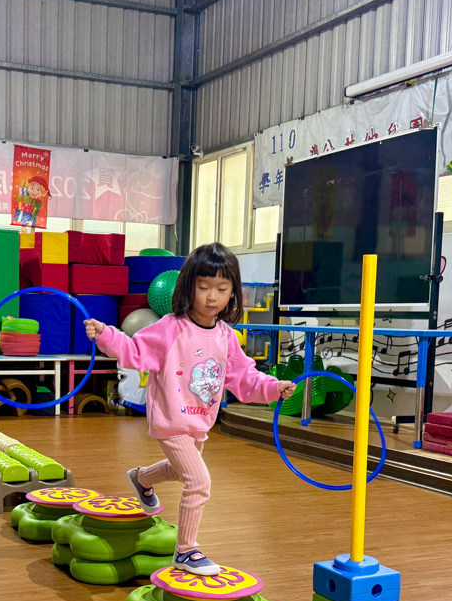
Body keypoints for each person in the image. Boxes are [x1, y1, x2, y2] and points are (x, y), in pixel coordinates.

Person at [83, 243, 295, 576]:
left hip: (200, 421)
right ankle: (186, 551)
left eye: (222, 289)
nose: (212, 297)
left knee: (180, 470)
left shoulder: (226, 337)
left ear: (232, 293)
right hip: (171, 419)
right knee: (198, 481)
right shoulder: (171, 328)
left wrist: (273, 387)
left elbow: (244, 376)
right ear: (188, 287)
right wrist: (106, 334)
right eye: (204, 287)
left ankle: (141, 478)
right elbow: (135, 350)